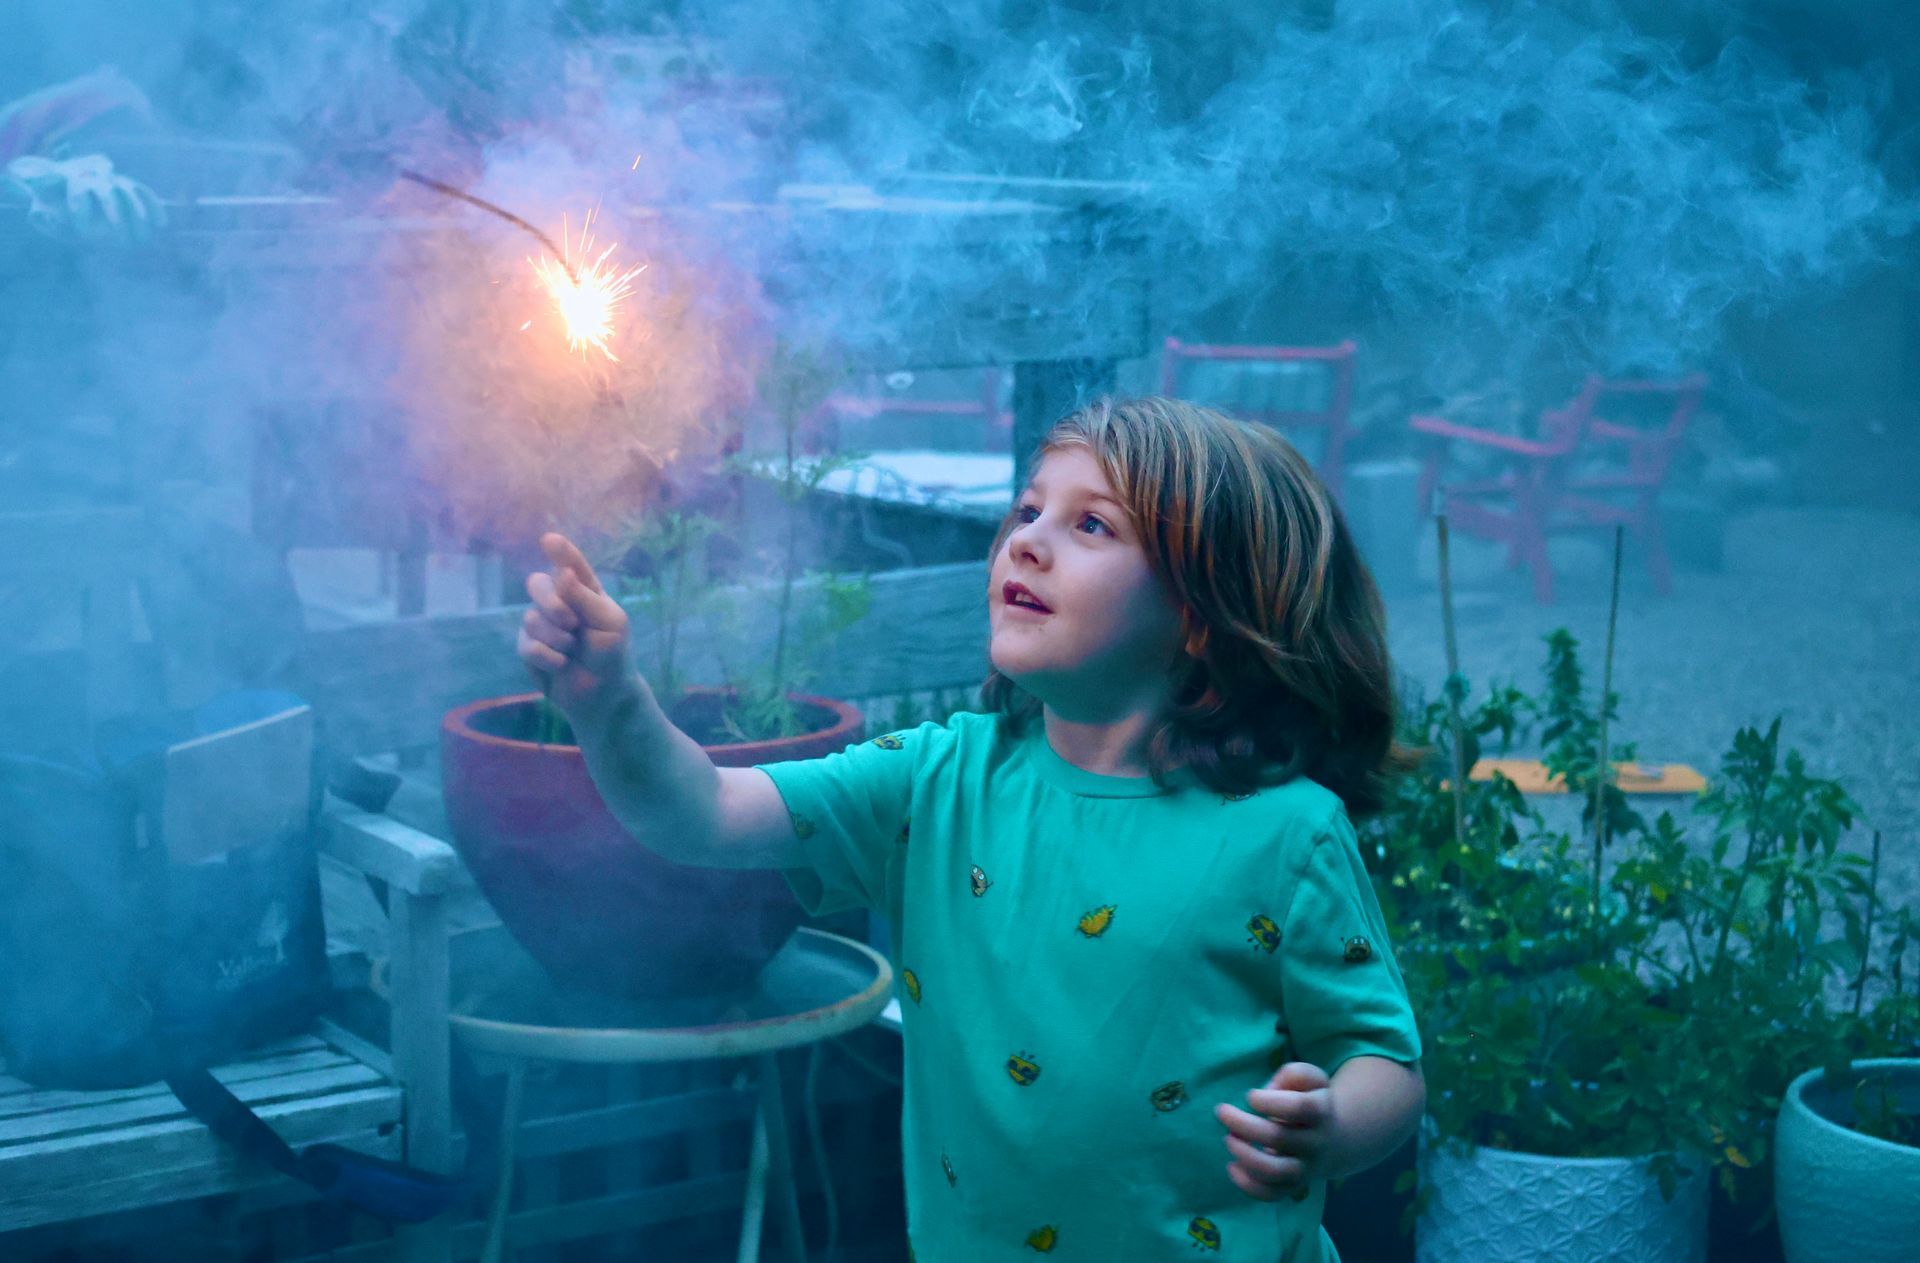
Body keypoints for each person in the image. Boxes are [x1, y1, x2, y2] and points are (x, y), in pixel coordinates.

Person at [517, 395, 1426, 1260]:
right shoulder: (936, 781)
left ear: (1198, 613)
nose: (1027, 541)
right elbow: (701, 813)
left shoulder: (1284, 834)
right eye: (1028, 511)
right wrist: (611, 704)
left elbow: (1383, 1057)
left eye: (1091, 524)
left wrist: (1335, 1125)